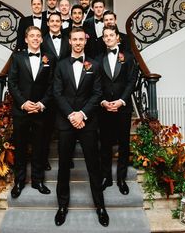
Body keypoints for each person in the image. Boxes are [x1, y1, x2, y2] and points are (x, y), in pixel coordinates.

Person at [53, 27, 109, 227]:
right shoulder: (60, 66)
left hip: (88, 122)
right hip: (66, 122)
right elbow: (57, 93)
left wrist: (82, 114)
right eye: (74, 39)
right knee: (63, 167)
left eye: (80, 39)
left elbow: (97, 93)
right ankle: (62, 206)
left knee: (94, 167)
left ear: (85, 41)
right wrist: (71, 115)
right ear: (69, 41)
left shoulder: (94, 65)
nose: (77, 42)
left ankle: (100, 206)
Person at [8, 26, 54, 198]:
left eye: (38, 36)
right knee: (20, 147)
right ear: (26, 39)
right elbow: (12, 83)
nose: (35, 38)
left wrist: (41, 104)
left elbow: (52, 85)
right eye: (32, 36)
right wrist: (23, 103)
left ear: (42, 39)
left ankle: (37, 181)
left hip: (41, 111)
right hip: (22, 111)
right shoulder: (17, 57)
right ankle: (19, 182)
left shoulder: (49, 58)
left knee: (39, 148)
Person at [97, 25, 137, 195]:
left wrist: (121, 101)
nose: (108, 38)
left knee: (123, 144)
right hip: (104, 108)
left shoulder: (128, 57)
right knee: (105, 144)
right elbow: (96, 83)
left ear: (117, 37)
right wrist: (103, 101)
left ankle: (121, 179)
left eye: (111, 35)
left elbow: (131, 81)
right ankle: (107, 177)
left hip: (123, 108)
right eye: (105, 36)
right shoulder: (97, 59)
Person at [41, 12, 71, 170]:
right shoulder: (41, 41)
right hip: (48, 90)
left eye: (57, 21)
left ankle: (68, 158)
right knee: (46, 128)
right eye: (52, 21)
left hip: (67, 90)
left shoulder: (68, 40)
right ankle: (44, 159)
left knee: (66, 128)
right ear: (48, 23)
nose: (54, 23)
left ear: (61, 23)